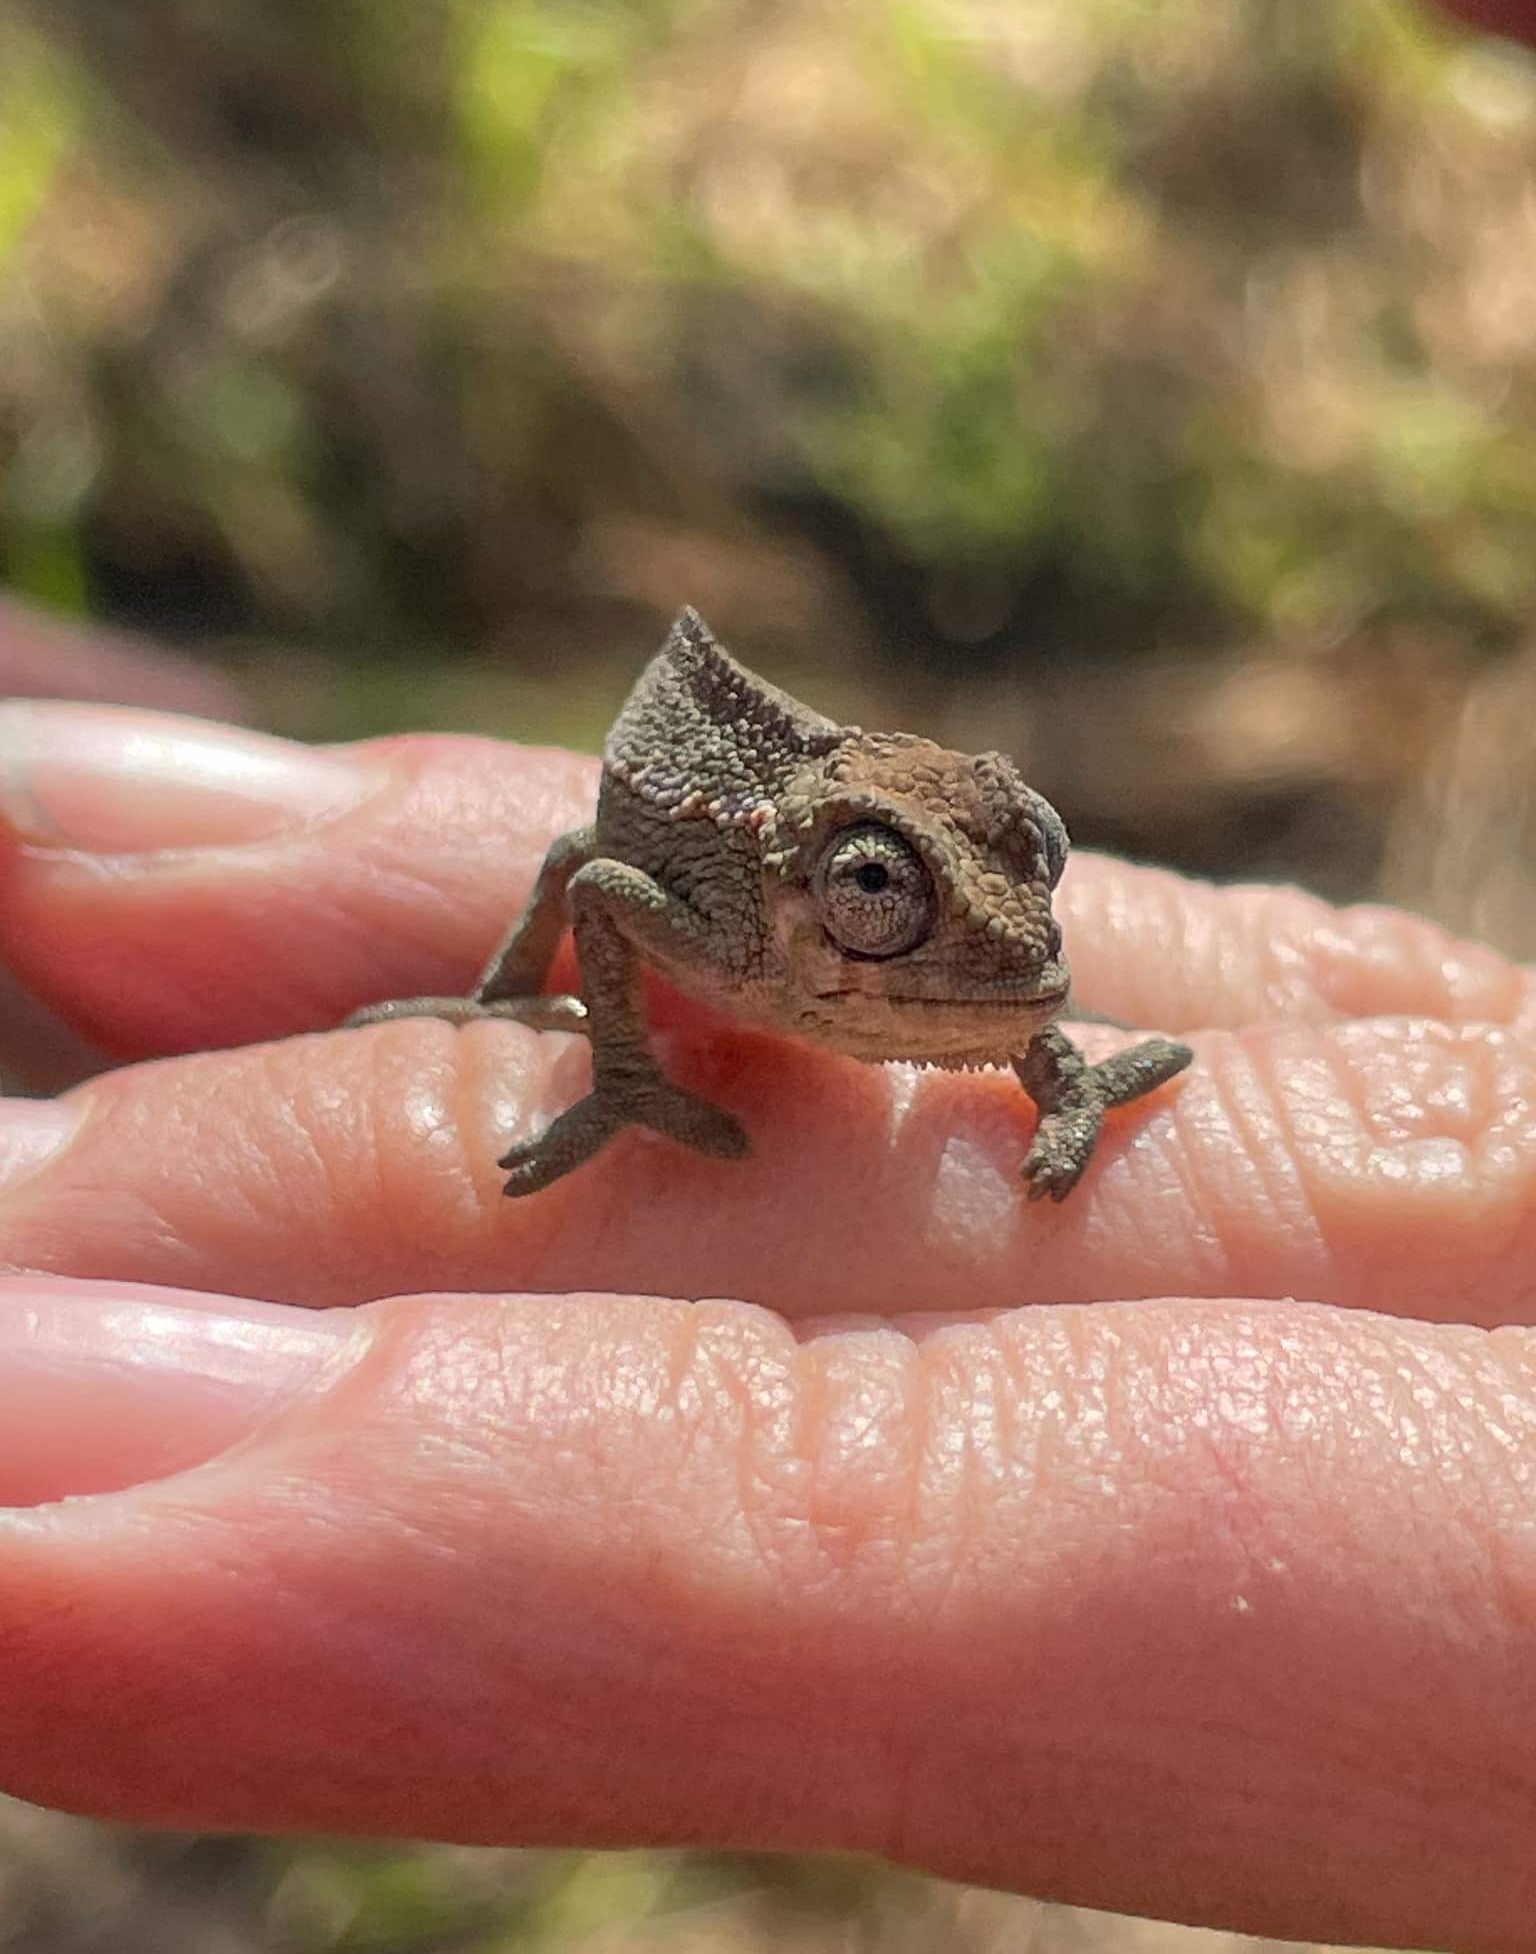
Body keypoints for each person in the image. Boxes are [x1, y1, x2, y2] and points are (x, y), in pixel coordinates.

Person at [0, 691, 1533, 1949]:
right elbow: (597, 882)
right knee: (571, 871)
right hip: (701, 860)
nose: (1001, 934)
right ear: (812, 897)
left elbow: (1012, 1002)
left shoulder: (936, 947)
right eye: (876, 897)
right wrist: (624, 1074)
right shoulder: (729, 930)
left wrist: (1062, 1080)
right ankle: (535, 1009)